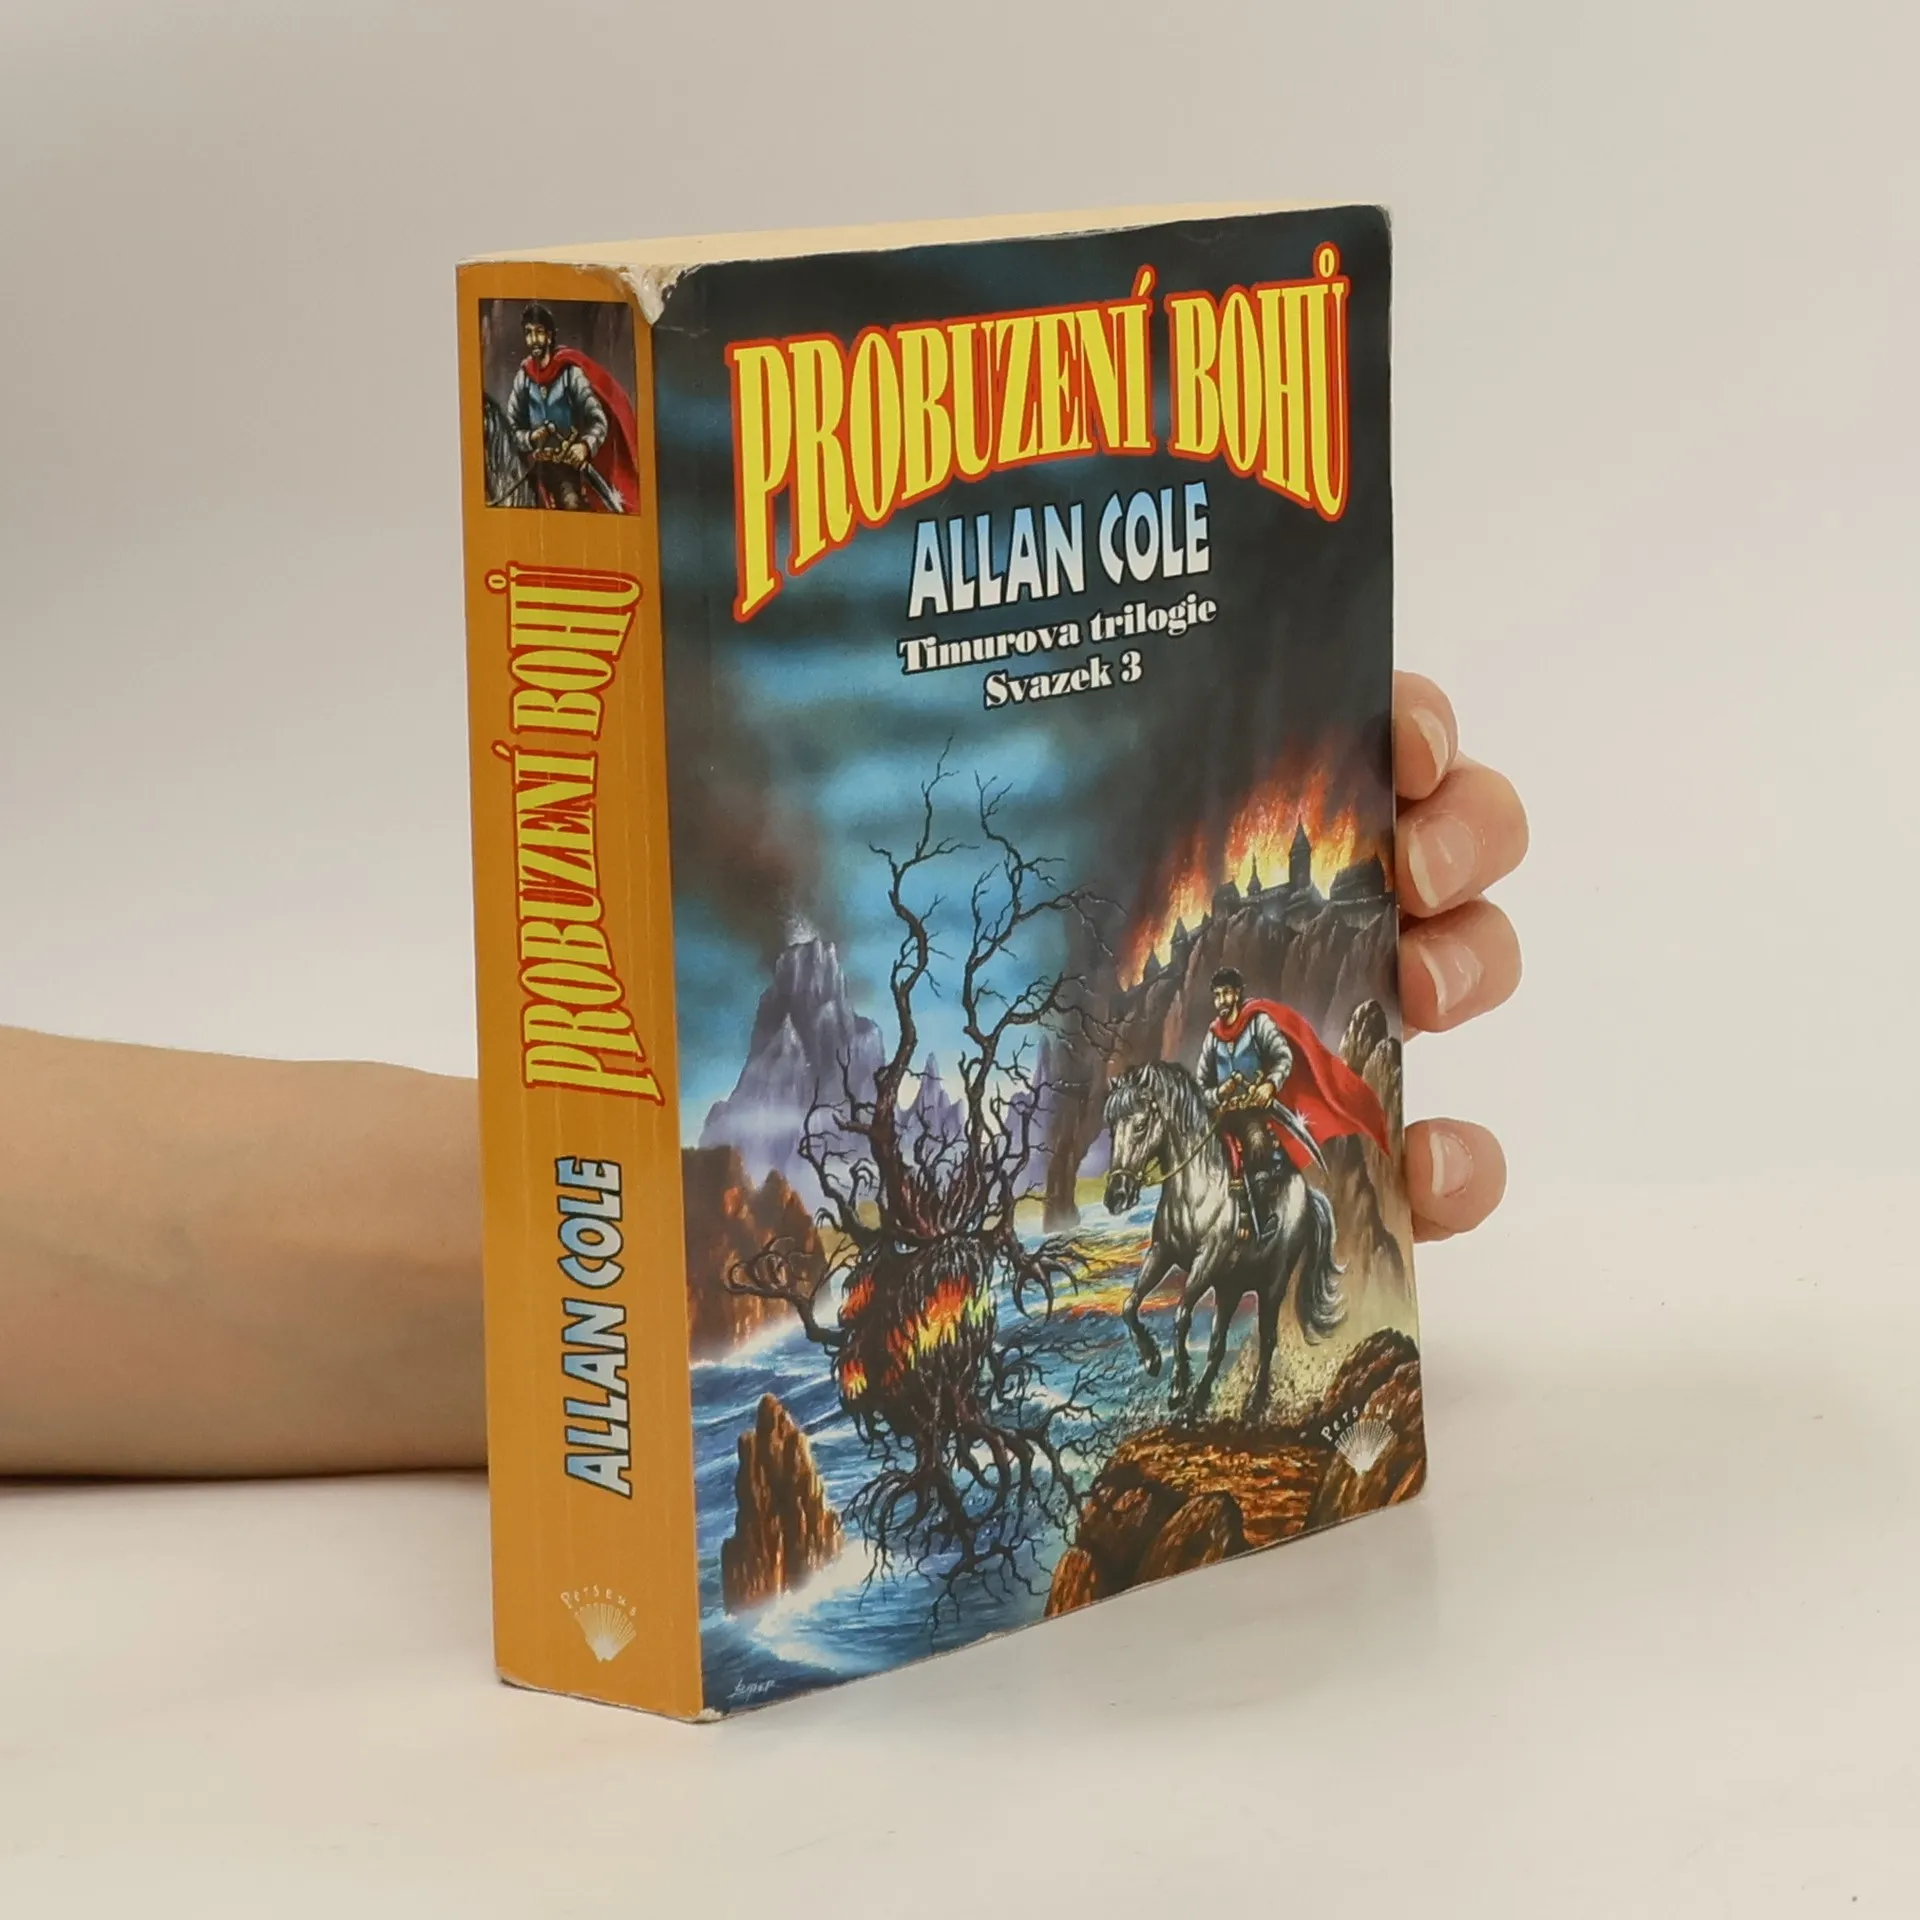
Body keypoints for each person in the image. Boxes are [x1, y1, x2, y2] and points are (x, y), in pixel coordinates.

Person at [0, 672, 1523, 1478]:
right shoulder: (1208, 1043)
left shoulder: (1255, 1037)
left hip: (1237, 1131)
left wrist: (588, 1292)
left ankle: (1294, 1260)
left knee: (1278, 1169)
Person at [1195, 967, 1389, 1241]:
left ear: (1237, 994)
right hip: (1223, 1115)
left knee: (1257, 1143)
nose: (1221, 1001)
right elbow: (1202, 1084)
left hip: (1255, 1112)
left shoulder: (1257, 1024)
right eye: (1217, 995)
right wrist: (1218, 1093)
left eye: (1226, 993)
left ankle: (1264, 1219)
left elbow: (1282, 1057)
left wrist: (1269, 1085)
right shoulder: (1213, 1037)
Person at [503, 303, 642, 513]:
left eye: (539, 332)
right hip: (531, 467)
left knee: (571, 506)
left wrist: (584, 446)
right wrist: (530, 438)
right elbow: (512, 428)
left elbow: (597, 420)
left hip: (565, 469)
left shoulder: (570, 373)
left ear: (549, 336)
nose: (534, 340)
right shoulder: (523, 377)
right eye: (528, 333)